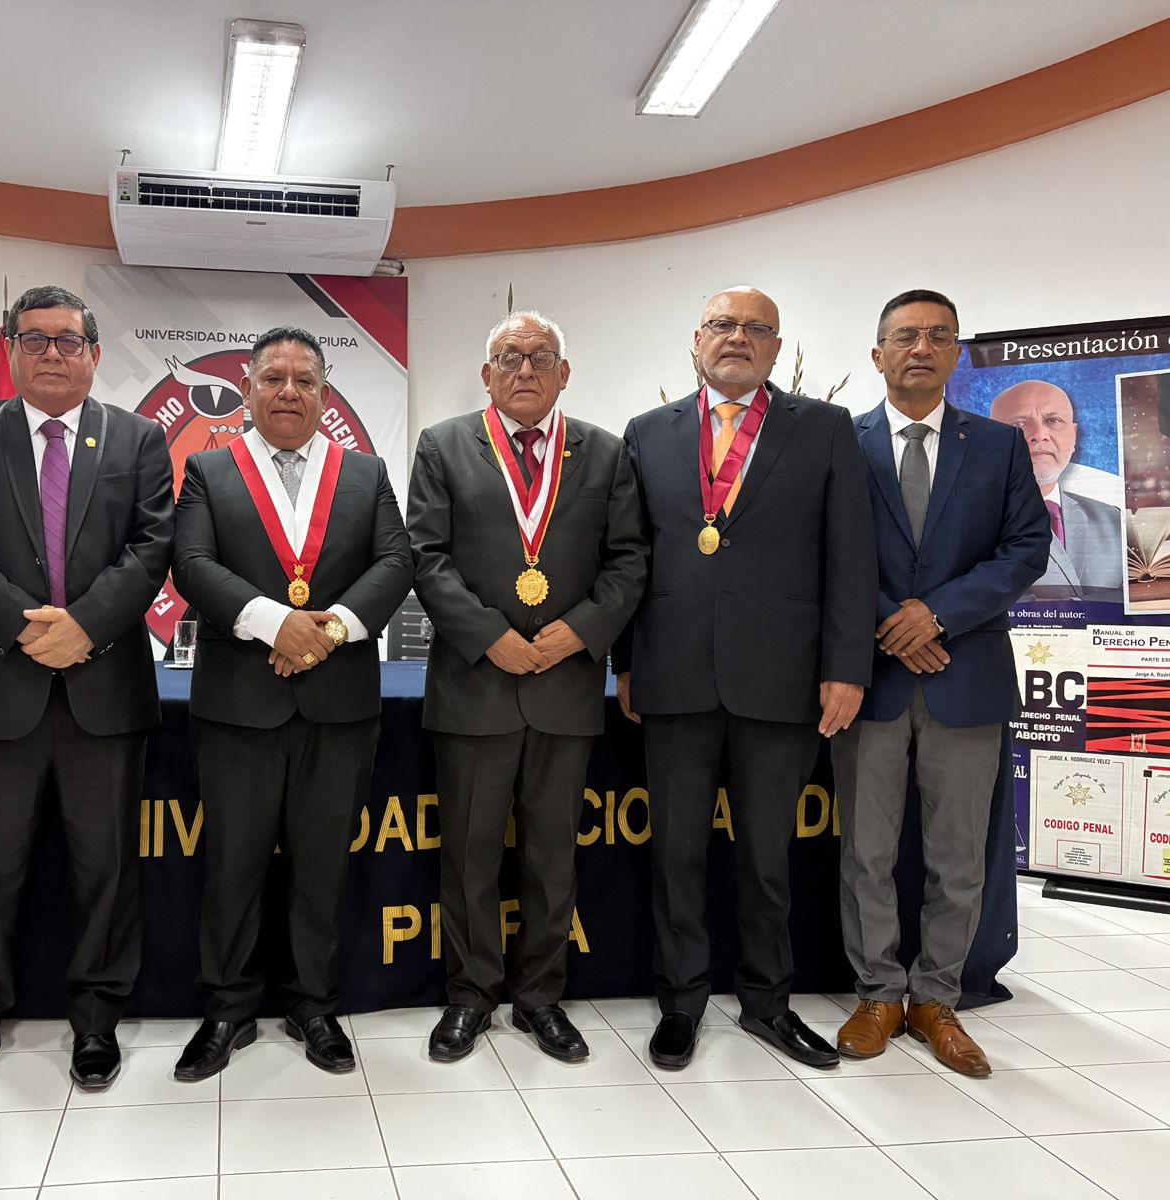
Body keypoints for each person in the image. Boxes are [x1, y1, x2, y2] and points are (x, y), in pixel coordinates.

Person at [615, 286, 877, 1071]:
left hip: (784, 680)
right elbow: (630, 557)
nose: (738, 338)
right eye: (724, 325)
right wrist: (626, 661)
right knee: (676, 854)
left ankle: (768, 1001)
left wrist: (846, 668)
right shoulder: (647, 432)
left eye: (756, 329)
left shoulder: (824, 429)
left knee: (768, 856)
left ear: (775, 346)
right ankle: (681, 1003)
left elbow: (851, 557)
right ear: (697, 338)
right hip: (674, 674)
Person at [0, 285, 174, 1091]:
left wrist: (86, 626)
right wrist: (27, 627)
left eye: (70, 341)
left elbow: (151, 545)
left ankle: (97, 1019)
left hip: (105, 691)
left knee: (105, 867)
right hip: (1, 686)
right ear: (11, 351)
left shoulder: (137, 438)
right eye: (36, 340)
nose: (54, 353)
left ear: (95, 355)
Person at [171, 325, 411, 1080]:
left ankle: (315, 1005)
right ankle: (227, 1010)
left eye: (305, 380)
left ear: (324, 393)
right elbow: (191, 563)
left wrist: (329, 629)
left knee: (322, 866)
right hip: (239, 705)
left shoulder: (365, 472)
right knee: (232, 865)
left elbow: (396, 560)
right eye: (273, 378)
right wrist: (279, 624)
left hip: (338, 707)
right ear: (246, 390)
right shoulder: (210, 469)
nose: (288, 392)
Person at [407, 311, 647, 1063]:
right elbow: (426, 556)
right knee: (471, 858)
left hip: (566, 684)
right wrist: (490, 638)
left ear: (564, 373)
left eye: (540, 356)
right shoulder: (444, 445)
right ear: (486, 374)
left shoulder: (606, 454)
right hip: (477, 683)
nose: (524, 368)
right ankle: (470, 996)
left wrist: (580, 631)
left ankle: (541, 997)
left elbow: (630, 560)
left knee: (551, 858)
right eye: (508, 357)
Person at [834, 290, 1048, 1075]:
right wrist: (896, 620)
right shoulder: (841, 442)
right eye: (904, 337)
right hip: (871, 678)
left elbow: (1026, 547)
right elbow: (824, 549)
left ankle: (937, 998)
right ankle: (878, 992)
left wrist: (938, 616)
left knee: (956, 856)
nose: (920, 348)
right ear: (878, 354)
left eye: (937, 337)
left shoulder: (997, 446)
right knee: (866, 850)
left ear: (956, 354)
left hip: (966, 675)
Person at [989, 380, 1122, 601]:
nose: (1039, 434)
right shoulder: (964, 521)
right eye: (1020, 424)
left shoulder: (1112, 519)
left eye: (1054, 421)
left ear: (1074, 435)